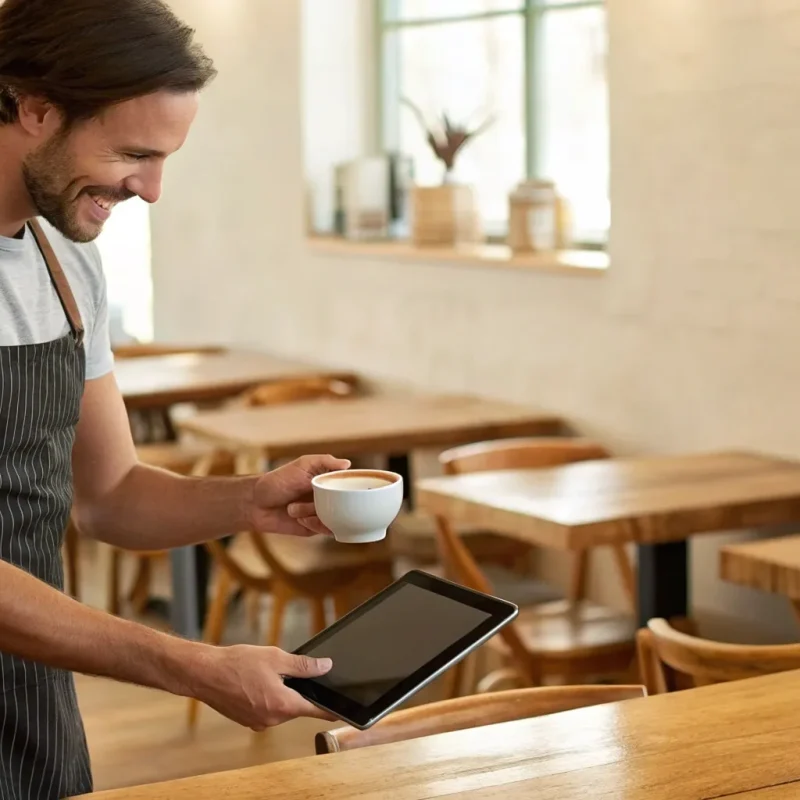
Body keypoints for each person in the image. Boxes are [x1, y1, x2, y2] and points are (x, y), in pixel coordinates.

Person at [0, 1, 344, 797]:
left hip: (30, 694)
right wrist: (192, 664)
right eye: (132, 153)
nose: (150, 190)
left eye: (164, 159)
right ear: (34, 105)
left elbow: (111, 495)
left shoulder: (66, 264)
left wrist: (250, 500)